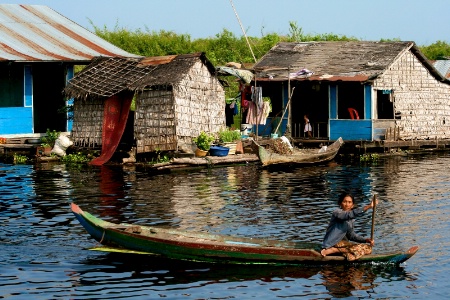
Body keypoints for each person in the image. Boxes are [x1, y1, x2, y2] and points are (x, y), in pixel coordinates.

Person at [321, 192, 378, 261]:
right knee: (359, 250)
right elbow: (348, 215)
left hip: (344, 246)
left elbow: (351, 236)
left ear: (352, 205)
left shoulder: (351, 220)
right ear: (340, 203)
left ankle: (345, 254)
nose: (347, 204)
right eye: (345, 202)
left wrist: (366, 240)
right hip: (334, 243)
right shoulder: (337, 213)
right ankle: (333, 250)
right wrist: (368, 206)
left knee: (368, 249)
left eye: (349, 202)